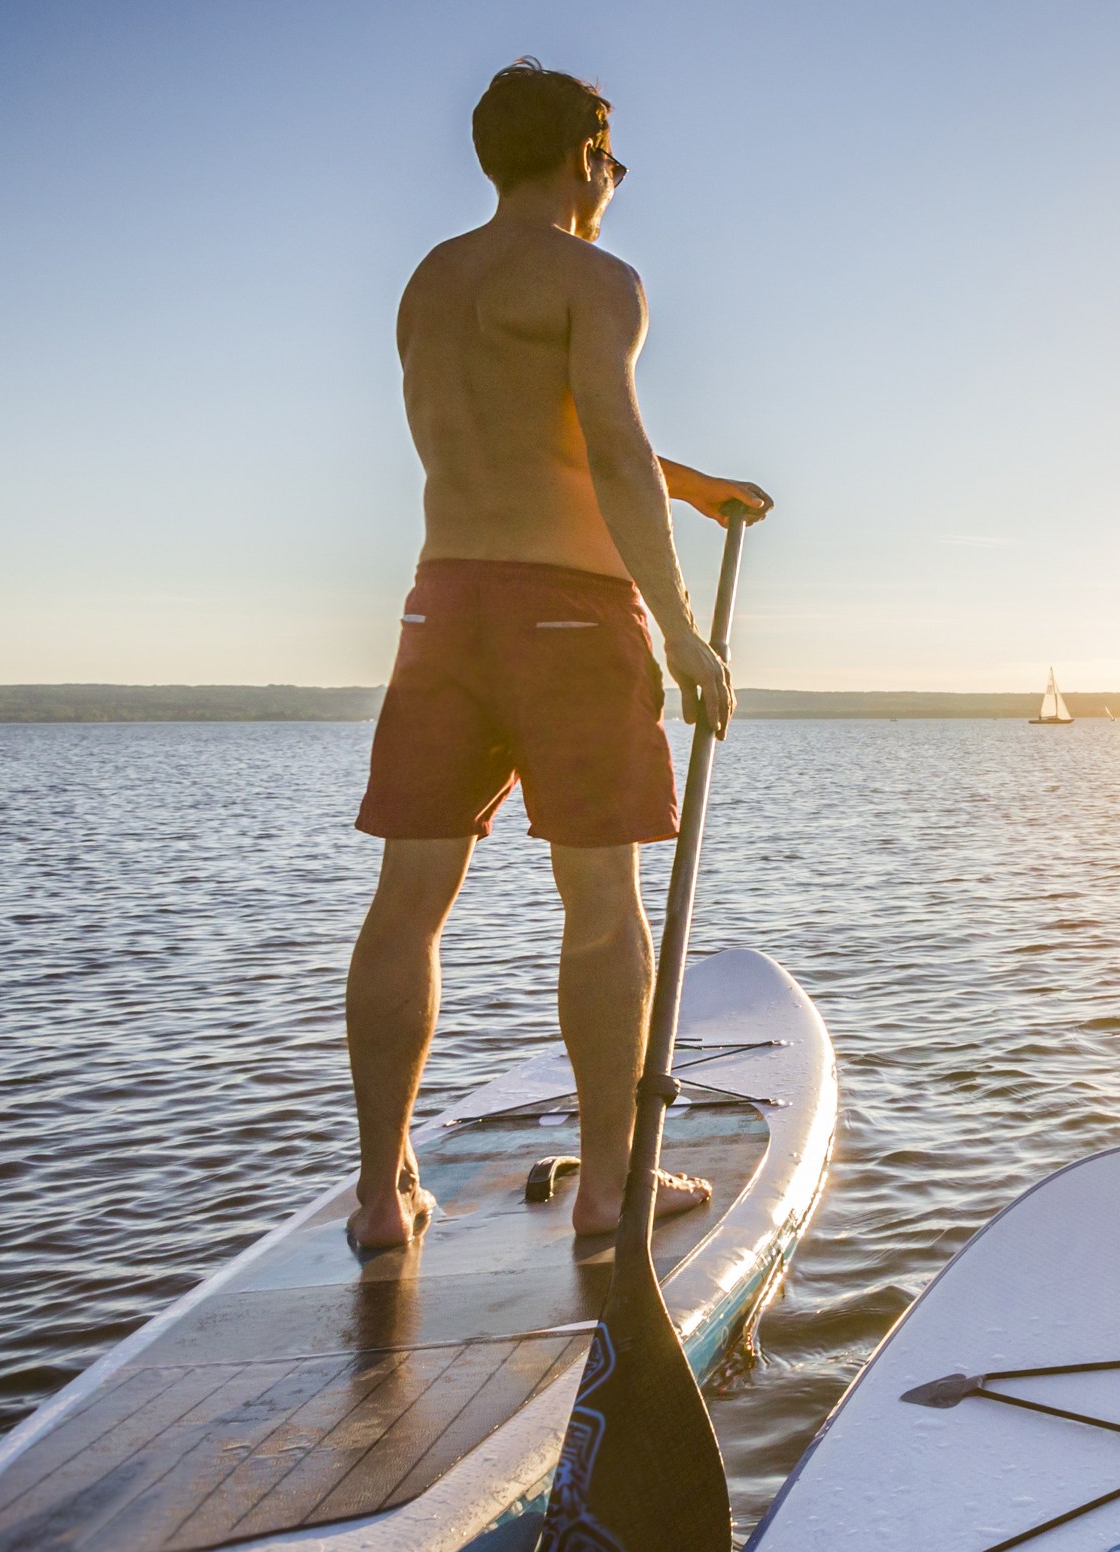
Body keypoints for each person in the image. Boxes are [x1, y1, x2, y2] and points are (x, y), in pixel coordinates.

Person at [343, 60, 772, 1250]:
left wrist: (698, 486)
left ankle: (381, 1196)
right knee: (600, 913)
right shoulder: (599, 278)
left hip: (442, 607)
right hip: (571, 618)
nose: (614, 185)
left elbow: (531, 429)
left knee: (406, 907)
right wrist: (683, 631)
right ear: (588, 154)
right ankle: (608, 1185)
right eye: (613, 162)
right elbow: (613, 448)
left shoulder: (429, 284)